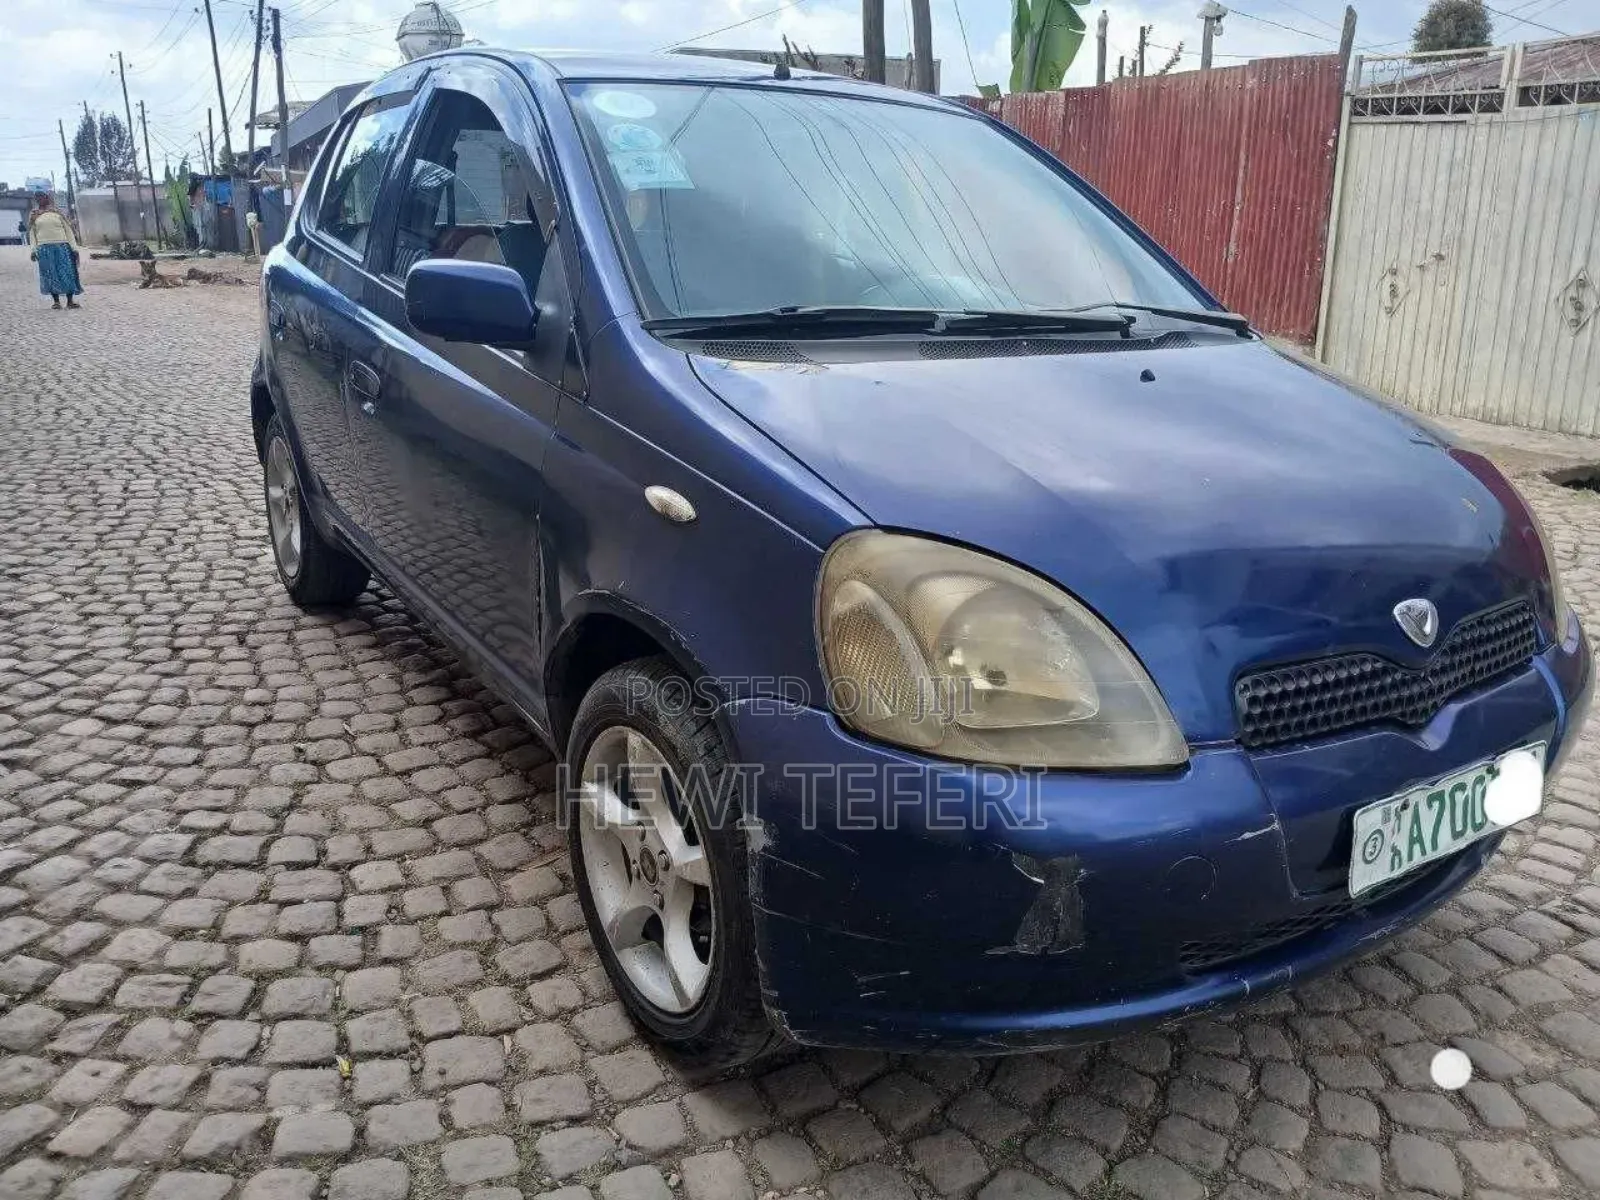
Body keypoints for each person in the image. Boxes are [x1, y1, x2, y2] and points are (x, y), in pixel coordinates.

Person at [28, 192, 83, 310]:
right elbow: (32, 234)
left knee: (67, 273)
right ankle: (56, 302)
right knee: (50, 274)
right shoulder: (34, 215)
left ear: (47, 198)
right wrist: (33, 250)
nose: (39, 200)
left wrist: (74, 248)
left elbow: (68, 231)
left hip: (62, 247)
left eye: (41, 197)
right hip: (44, 249)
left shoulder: (57, 213)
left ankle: (70, 301)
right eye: (37, 198)